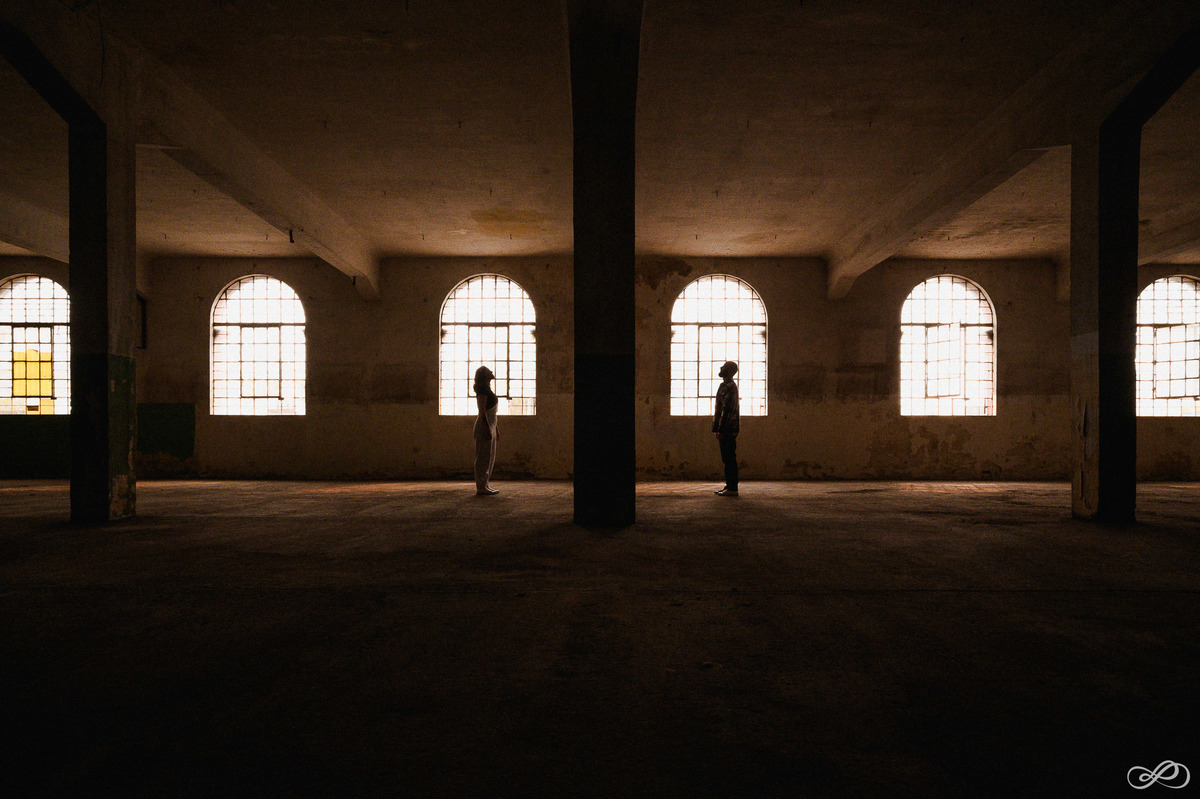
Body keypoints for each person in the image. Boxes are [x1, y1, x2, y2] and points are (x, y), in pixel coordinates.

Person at [712, 360, 740, 496]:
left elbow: (727, 410)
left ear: (729, 371)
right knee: (726, 458)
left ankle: (733, 488)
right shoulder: (724, 386)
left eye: (724, 367)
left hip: (728, 429)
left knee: (729, 458)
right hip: (725, 428)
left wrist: (721, 429)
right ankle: (729, 486)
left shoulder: (730, 387)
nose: (721, 368)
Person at [473, 365, 500, 495]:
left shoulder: (488, 389)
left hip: (491, 426)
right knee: (483, 457)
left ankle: (485, 484)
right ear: (484, 375)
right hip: (485, 426)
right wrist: (487, 428)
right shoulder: (482, 390)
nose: (492, 371)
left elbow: (492, 413)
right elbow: (482, 411)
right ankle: (481, 487)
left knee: (489, 457)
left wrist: (496, 429)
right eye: (489, 371)